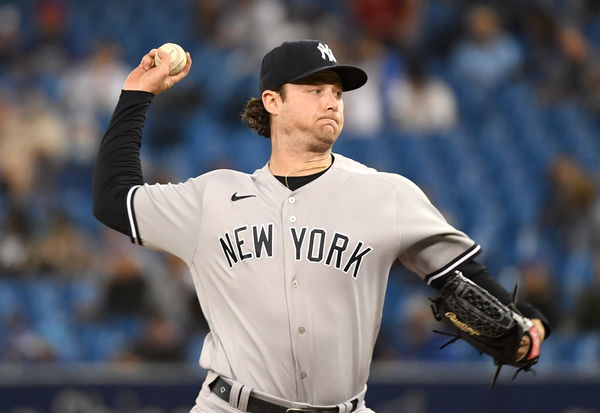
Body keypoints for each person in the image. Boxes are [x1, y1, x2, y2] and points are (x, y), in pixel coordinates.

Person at [93, 40, 549, 413]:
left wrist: (530, 319)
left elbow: (463, 278)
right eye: (315, 89)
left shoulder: (386, 194)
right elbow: (114, 200)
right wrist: (137, 94)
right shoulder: (212, 198)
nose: (331, 100)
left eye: (337, 91)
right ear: (272, 101)